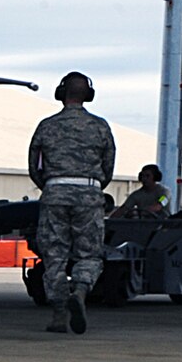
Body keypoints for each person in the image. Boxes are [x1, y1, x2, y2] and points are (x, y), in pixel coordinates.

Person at [28, 71, 116, 335]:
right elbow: (108, 167)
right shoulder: (100, 126)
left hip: (54, 192)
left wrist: (51, 186)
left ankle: (58, 315)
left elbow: (34, 166)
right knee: (89, 253)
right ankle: (79, 290)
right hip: (88, 194)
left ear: (61, 93)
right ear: (88, 94)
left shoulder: (46, 126)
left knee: (54, 255)